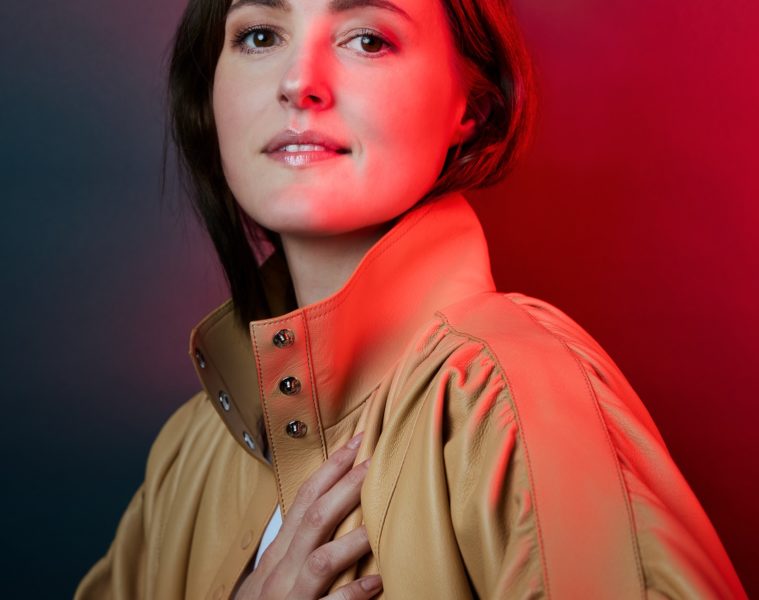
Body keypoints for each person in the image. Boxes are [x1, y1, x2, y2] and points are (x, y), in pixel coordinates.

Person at [75, 0, 748, 596]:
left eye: (368, 39)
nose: (298, 83)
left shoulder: (512, 396)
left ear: (472, 106)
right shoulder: (188, 451)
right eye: (259, 36)